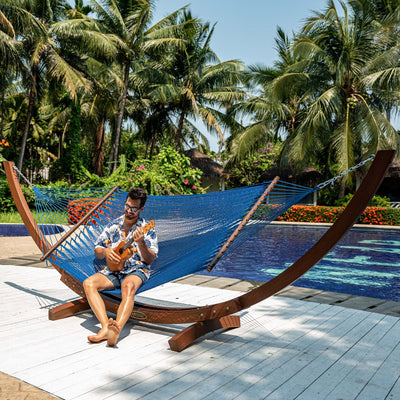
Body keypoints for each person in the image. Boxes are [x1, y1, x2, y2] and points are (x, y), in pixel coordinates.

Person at [83, 187, 158, 346]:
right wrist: (106, 251)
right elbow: (97, 250)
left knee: (128, 286)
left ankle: (117, 329)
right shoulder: (113, 224)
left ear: (141, 208)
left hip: (136, 269)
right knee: (88, 283)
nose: (129, 211)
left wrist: (141, 243)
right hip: (113, 269)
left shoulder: (146, 228)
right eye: (127, 206)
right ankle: (105, 327)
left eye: (133, 208)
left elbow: (150, 259)